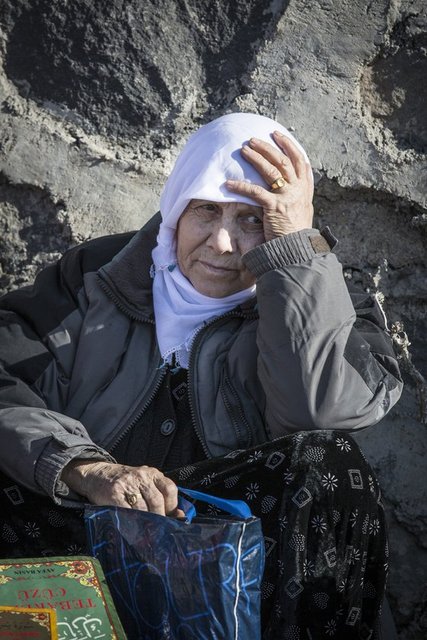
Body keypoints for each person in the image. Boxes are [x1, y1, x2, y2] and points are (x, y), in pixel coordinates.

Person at [0, 113, 402, 638]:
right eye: (206, 210)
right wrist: (79, 467)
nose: (223, 243)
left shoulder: (331, 305)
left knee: (328, 462)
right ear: (176, 207)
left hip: (241, 563)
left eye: (252, 219)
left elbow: (318, 412)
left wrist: (293, 257)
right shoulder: (95, 276)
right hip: (90, 530)